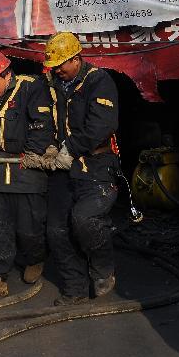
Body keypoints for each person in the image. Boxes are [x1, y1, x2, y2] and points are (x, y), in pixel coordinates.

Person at [41, 32, 119, 305]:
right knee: (56, 230)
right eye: (55, 66)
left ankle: (102, 268)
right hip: (63, 168)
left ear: (76, 58)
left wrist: (70, 148)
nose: (58, 70)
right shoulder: (54, 85)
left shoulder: (98, 82)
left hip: (95, 164)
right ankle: (74, 288)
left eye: (62, 64)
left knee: (85, 219)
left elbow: (100, 126)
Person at [0, 49, 52, 301]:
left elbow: (42, 125)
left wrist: (33, 153)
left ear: (6, 74)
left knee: (30, 227)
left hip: (26, 169)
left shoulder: (31, 88)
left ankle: (34, 258)